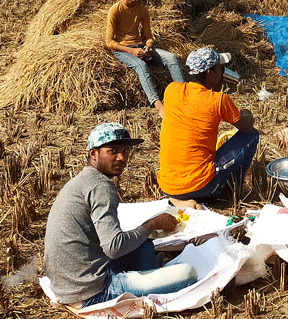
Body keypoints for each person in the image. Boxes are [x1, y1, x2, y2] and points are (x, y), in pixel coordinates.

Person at [44, 123, 197, 308]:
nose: (122, 157)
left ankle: (147, 277)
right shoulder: (101, 186)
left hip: (67, 285)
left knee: (146, 246)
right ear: (93, 154)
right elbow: (114, 248)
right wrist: (153, 224)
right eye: (113, 151)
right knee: (189, 272)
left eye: (125, 151)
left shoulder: (82, 181)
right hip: (92, 292)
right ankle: (144, 281)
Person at [158, 47, 259, 209]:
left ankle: (179, 199)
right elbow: (246, 127)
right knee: (252, 135)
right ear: (210, 73)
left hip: (168, 186)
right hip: (199, 185)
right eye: (221, 69)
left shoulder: (172, 90)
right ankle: (226, 191)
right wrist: (246, 111)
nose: (223, 73)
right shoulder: (218, 100)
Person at [106, 0, 187, 119]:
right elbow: (109, 42)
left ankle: (185, 98)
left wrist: (148, 47)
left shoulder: (142, 10)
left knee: (172, 58)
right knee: (141, 66)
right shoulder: (115, 10)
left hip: (140, 47)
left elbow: (148, 35)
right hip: (122, 50)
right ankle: (158, 105)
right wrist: (131, 50)